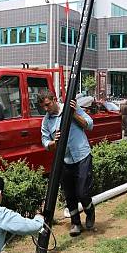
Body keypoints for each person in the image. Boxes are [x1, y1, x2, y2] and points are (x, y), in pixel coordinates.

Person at [38, 90, 95, 237]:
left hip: (82, 155)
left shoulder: (71, 107)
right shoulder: (46, 121)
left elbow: (89, 125)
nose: (46, 109)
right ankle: (76, 223)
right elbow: (45, 143)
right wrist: (53, 142)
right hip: (64, 160)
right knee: (69, 194)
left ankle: (90, 211)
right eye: (43, 107)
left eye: (48, 104)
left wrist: (73, 115)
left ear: (54, 99)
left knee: (82, 192)